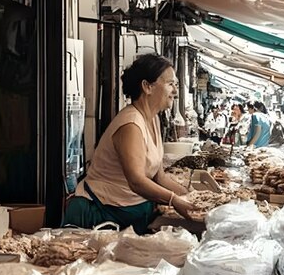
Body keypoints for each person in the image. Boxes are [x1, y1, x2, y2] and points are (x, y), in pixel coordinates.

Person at [62, 54, 195, 234]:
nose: (175, 91)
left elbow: (159, 177)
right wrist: (174, 200)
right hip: (101, 213)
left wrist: (190, 196)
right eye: (170, 84)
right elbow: (137, 181)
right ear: (147, 87)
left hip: (129, 212)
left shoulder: (153, 119)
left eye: (176, 85)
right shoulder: (131, 124)